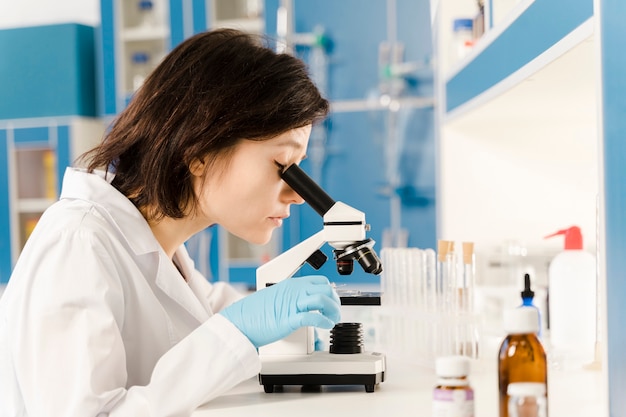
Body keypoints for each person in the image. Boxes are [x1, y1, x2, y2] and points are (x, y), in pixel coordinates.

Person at [0, 28, 341, 416]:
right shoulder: (77, 242)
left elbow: (203, 318)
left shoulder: (164, 251)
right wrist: (236, 332)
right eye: (284, 167)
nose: (297, 194)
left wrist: (277, 317)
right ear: (199, 152)